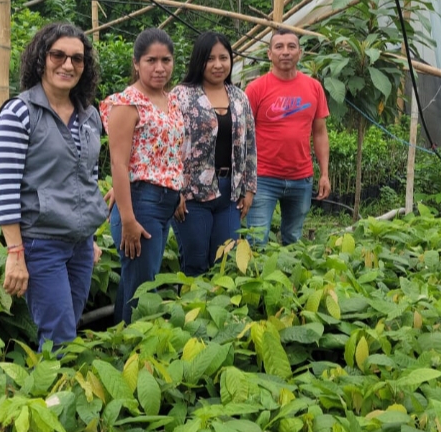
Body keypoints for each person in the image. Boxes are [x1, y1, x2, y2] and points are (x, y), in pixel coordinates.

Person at [0, 22, 108, 348]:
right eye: (58, 55)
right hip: (41, 243)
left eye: (77, 58)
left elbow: (87, 179)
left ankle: (52, 380)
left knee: (67, 330)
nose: (68, 65)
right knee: (59, 336)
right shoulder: (20, 112)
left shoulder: (89, 116)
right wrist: (15, 252)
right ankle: (48, 382)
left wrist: (89, 236)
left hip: (79, 245)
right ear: (41, 58)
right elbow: (4, 184)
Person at [100, 28, 185, 324]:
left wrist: (177, 189)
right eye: (151, 60)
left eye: (166, 60)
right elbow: (119, 163)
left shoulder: (170, 100)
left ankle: (120, 340)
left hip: (164, 202)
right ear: (136, 63)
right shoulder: (128, 103)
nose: (160, 68)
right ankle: (133, 345)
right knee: (143, 291)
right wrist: (127, 219)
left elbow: (168, 152)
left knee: (135, 283)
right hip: (140, 204)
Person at [171, 31, 257, 276]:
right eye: (210, 59)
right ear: (199, 61)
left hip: (230, 193)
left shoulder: (239, 97)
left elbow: (250, 144)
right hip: (192, 193)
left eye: (223, 58)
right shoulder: (181, 95)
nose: (218, 65)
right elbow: (171, 145)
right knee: (195, 263)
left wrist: (249, 189)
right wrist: (175, 191)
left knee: (225, 262)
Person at [244, 27, 330, 246]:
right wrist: (244, 177)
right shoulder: (256, 89)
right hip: (263, 178)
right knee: (257, 240)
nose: (285, 52)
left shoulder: (314, 88)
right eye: (279, 47)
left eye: (291, 47)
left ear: (300, 53)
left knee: (293, 239)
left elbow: (320, 132)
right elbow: (243, 135)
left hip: (301, 178)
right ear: (269, 54)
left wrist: (324, 174)